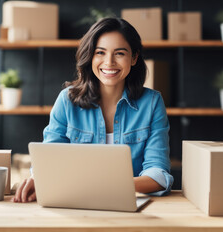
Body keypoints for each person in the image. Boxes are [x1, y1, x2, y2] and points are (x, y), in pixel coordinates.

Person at [13, 17, 173, 203]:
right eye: (100, 52)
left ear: (134, 57)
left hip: (129, 204)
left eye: (119, 53)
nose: (109, 62)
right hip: (74, 202)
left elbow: (158, 173)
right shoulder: (67, 100)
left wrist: (109, 187)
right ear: (90, 56)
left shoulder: (152, 103)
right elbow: (49, 160)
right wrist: (37, 178)